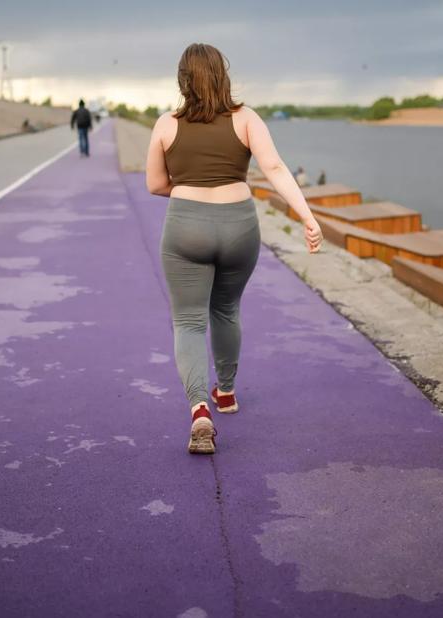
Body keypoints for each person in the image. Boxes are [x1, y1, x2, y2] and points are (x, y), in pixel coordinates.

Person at [145, 43, 323, 455]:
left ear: (182, 80)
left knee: (188, 322)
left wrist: (191, 188)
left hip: (185, 226)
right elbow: (275, 168)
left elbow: (154, 185)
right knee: (225, 309)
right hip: (240, 226)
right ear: (223, 76)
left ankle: (198, 409)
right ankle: (225, 392)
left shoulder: (166, 125)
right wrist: (308, 218)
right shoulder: (246, 119)